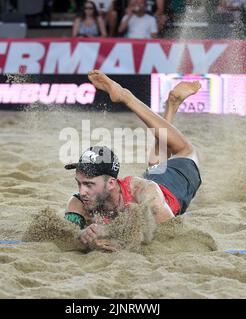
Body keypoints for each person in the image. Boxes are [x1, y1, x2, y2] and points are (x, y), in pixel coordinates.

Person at [63, 70, 203, 251]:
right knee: (156, 165)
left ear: (111, 183)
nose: (82, 191)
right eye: (79, 183)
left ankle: (126, 96)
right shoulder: (78, 203)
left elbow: (170, 232)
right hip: (155, 177)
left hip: (180, 178)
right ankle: (171, 106)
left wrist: (111, 233)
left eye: (89, 184)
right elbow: (65, 236)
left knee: (186, 151)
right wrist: (81, 236)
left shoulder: (145, 192)